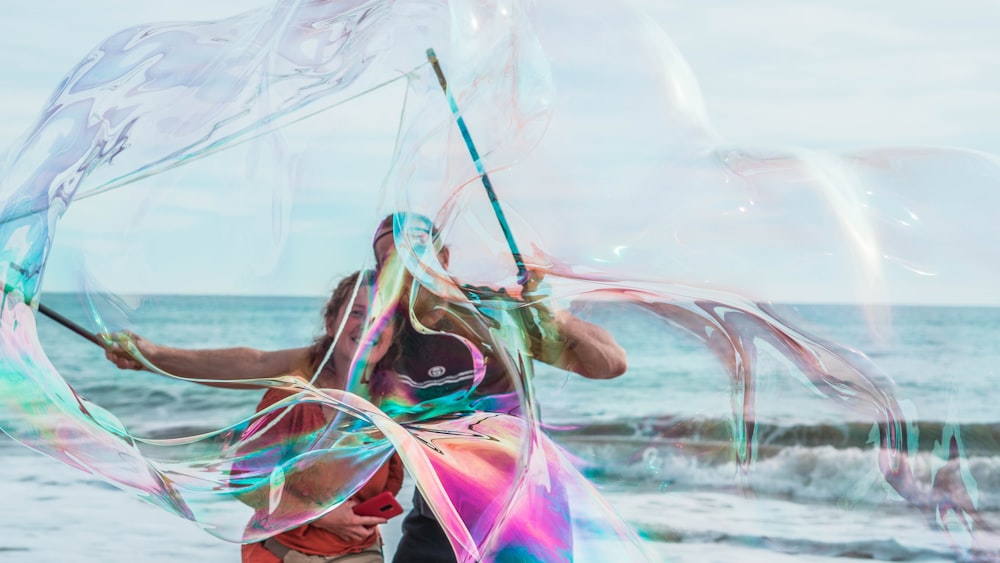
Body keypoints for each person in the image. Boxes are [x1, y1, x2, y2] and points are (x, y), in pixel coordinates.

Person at [369, 213, 628, 563]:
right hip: (438, 518)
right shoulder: (385, 339)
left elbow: (610, 364)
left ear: (443, 258)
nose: (406, 266)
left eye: (417, 251)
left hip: (524, 512)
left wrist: (554, 317)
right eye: (390, 259)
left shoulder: (494, 312)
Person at [107, 271, 403, 562]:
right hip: (282, 554)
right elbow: (245, 479)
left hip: (361, 554)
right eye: (357, 313)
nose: (370, 326)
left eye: (383, 318)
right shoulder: (292, 396)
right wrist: (151, 357)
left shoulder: (398, 406)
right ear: (330, 323)